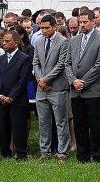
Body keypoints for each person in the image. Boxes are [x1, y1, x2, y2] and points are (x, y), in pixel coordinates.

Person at [66, 8, 100, 163]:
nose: (82, 25)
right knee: (79, 124)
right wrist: (73, 80)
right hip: (76, 91)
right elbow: (67, 64)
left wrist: (83, 82)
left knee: (96, 125)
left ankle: (98, 156)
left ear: (93, 21)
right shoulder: (73, 40)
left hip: (94, 91)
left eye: (85, 22)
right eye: (80, 22)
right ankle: (82, 155)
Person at [32, 14, 70, 162]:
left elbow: (61, 64)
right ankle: (45, 152)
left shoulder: (63, 42)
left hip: (58, 88)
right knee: (43, 122)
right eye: (41, 28)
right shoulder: (39, 41)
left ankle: (62, 153)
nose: (43, 30)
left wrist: (45, 79)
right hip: (41, 89)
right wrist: (40, 80)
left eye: (47, 28)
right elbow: (35, 63)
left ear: (54, 27)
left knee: (61, 122)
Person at [0, 30, 33, 160]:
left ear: (15, 43)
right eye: (3, 41)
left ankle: (21, 153)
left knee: (19, 128)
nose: (3, 43)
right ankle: (5, 153)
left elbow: (23, 80)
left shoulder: (24, 58)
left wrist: (11, 97)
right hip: (2, 99)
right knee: (3, 127)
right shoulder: (1, 58)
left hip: (18, 100)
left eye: (7, 41)